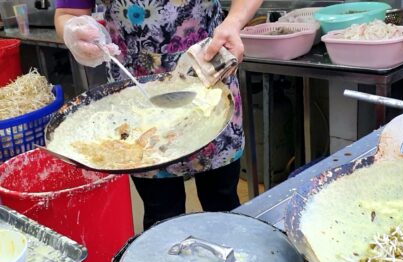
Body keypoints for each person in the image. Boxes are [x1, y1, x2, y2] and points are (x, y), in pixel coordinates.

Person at [54, 0, 262, 230]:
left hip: (210, 84)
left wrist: (234, 22)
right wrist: (74, 31)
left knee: (222, 201)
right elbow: (67, 13)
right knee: (161, 212)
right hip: (137, 101)